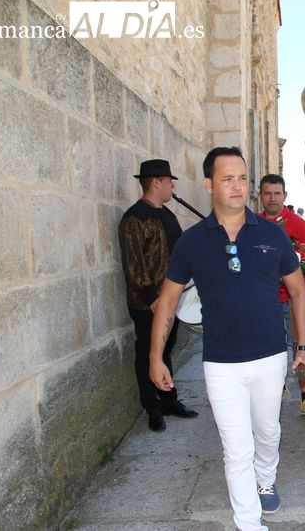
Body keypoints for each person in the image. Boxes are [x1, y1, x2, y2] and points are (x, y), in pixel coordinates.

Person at [149, 147, 305, 531]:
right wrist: (156, 357)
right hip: (220, 363)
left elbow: (300, 291)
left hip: (270, 356)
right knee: (236, 449)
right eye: (227, 178)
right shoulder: (191, 242)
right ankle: (249, 523)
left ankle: (266, 477)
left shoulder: (273, 234)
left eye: (242, 178)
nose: (237, 186)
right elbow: (168, 302)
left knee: (268, 432)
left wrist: (302, 347)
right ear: (209, 184)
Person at [118, 159, 198, 432]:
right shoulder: (134, 218)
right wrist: (153, 298)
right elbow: (134, 263)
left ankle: (169, 400)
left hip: (170, 299)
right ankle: (152, 408)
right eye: (169, 180)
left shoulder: (167, 214)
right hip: (148, 303)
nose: (172, 185)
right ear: (156, 182)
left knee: (165, 350)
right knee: (148, 353)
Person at [259, 173, 305, 416]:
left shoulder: (298, 224)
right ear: (261, 196)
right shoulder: (254, 225)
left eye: (277, 193)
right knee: (271, 348)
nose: (272, 198)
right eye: (267, 193)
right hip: (266, 301)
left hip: (292, 300)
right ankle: (278, 388)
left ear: (285, 195)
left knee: (300, 345)